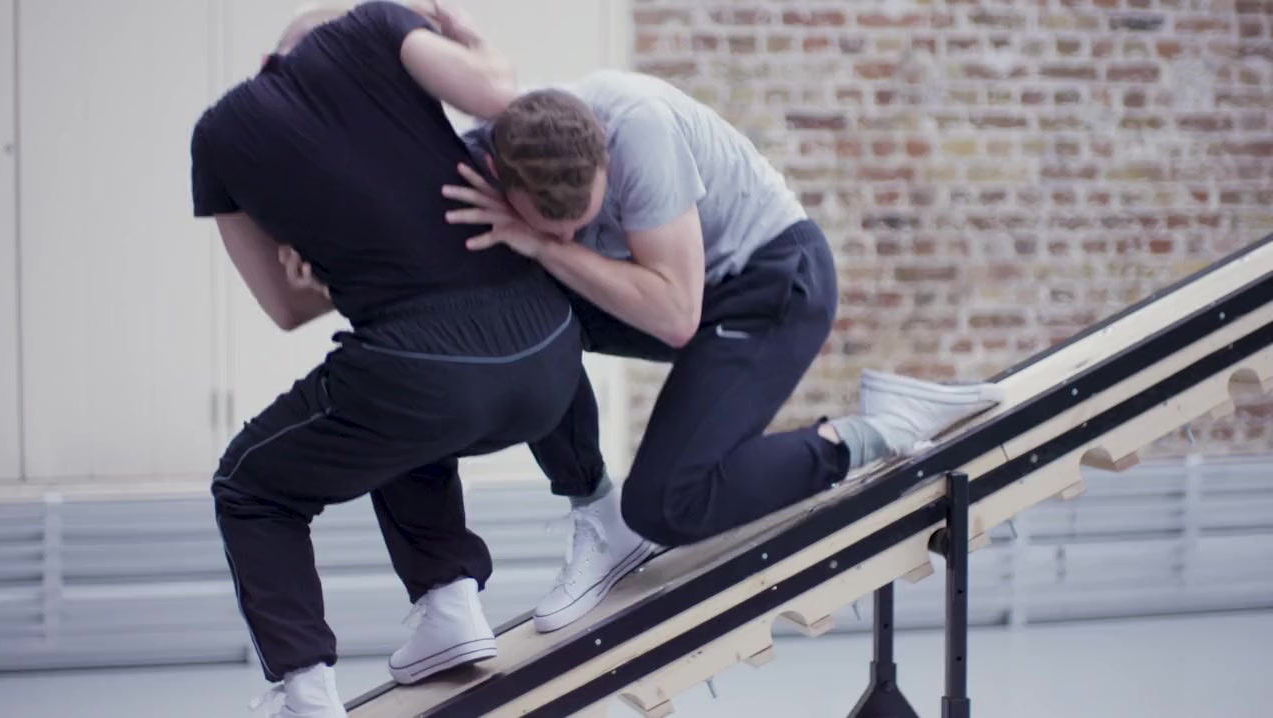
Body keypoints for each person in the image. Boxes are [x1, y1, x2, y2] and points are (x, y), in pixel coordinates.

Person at [443, 70, 1006, 633]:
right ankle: (596, 512)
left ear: (603, 156)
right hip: (694, 293)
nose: (568, 237)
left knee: (666, 504)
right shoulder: (499, 146)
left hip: (771, 287)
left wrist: (541, 244)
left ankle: (880, 428)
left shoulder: (639, 132)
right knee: (523, 316)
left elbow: (675, 316)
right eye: (551, 226)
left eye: (579, 223)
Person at [189, 3, 584, 716]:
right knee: (394, 424)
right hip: (551, 354)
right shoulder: (376, 26)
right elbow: (500, 95)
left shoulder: (217, 135)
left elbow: (285, 308)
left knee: (250, 483)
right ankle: (450, 605)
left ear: (272, 62)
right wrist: (467, 34)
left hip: (423, 377)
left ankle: (304, 691)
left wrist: (327, 281)